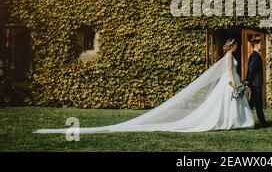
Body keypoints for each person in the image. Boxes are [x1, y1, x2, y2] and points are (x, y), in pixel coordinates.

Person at [34, 38, 254, 134]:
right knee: (225, 107)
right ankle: (230, 123)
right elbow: (228, 72)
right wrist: (234, 85)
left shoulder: (228, 55)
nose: (235, 48)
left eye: (234, 46)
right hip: (228, 84)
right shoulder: (227, 57)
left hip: (230, 84)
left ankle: (235, 123)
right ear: (231, 47)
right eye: (235, 46)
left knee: (229, 107)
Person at [245, 36, 269, 128]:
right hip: (255, 84)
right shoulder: (255, 56)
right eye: (260, 44)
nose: (262, 46)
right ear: (256, 45)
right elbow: (251, 70)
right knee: (255, 104)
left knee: (256, 104)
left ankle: (263, 123)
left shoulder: (255, 55)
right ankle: (262, 123)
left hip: (255, 84)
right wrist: (248, 81)